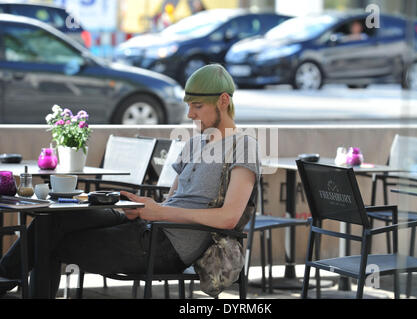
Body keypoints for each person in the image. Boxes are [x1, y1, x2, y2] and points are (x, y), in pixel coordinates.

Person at [0, 64, 260, 298]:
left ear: (223, 101)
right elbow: (171, 200)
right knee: (51, 219)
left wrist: (160, 211)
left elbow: (228, 218)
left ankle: (3, 279)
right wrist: (146, 208)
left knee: (48, 241)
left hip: (168, 247)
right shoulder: (194, 143)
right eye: (188, 105)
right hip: (147, 226)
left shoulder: (243, 147)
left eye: (198, 106)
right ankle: (3, 278)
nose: (190, 113)